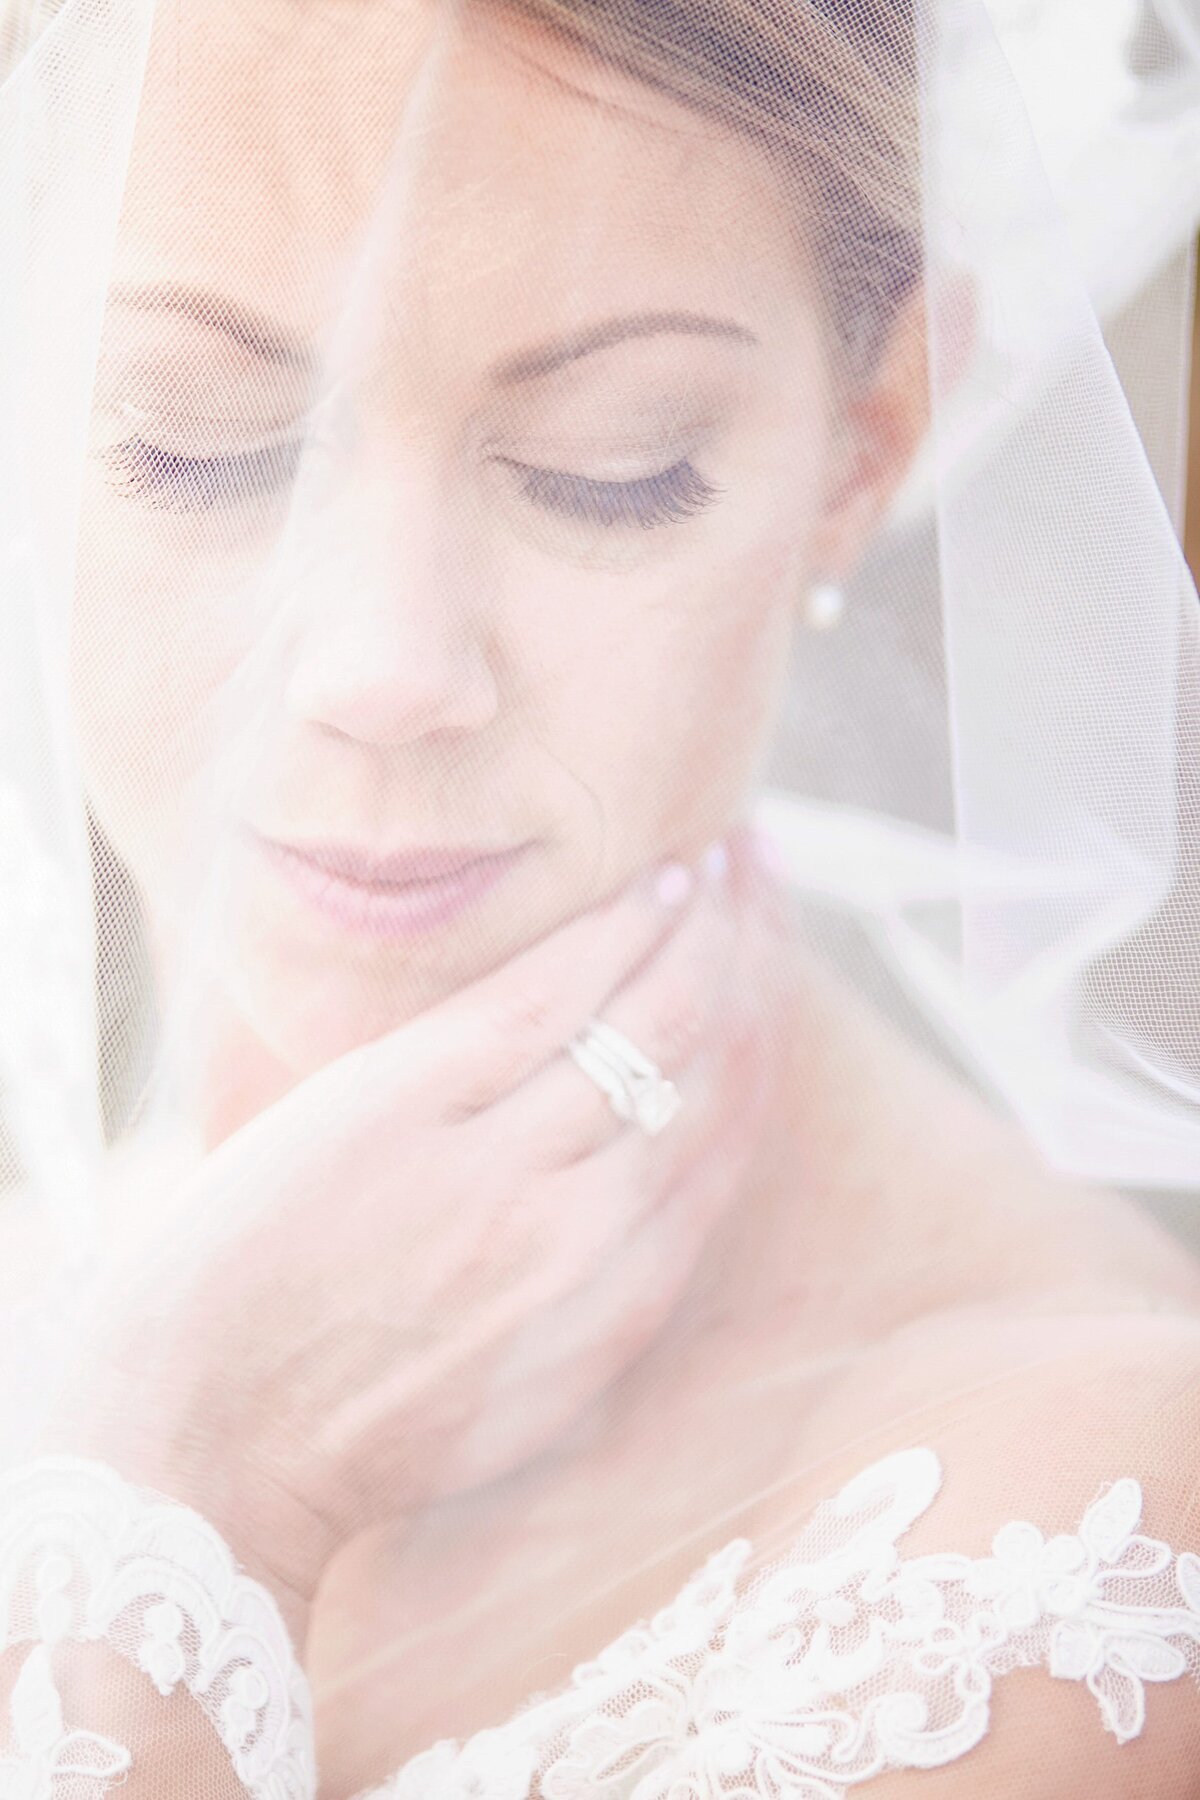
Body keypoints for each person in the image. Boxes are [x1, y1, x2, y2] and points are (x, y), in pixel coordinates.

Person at [0, 1, 1198, 1797]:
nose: (388, 667)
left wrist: (184, 1511)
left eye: (610, 468)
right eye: (200, 443)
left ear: (863, 445)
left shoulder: (1076, 1533)